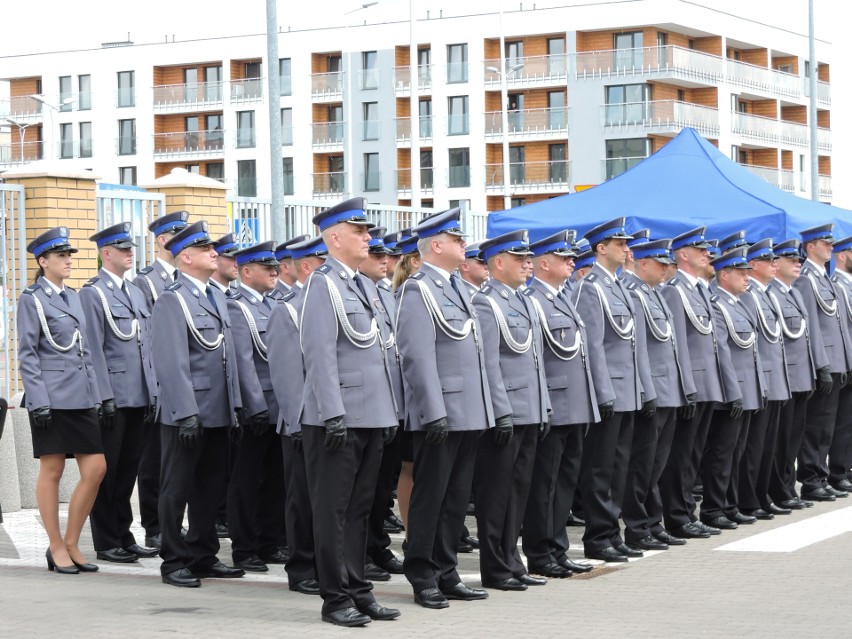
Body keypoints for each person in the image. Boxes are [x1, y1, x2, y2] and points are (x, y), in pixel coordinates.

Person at [299, 197, 401, 627]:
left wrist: (389, 413)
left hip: (372, 414)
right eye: (360, 232)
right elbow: (318, 353)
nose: (369, 238)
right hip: (336, 418)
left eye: (368, 232)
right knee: (332, 511)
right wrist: (332, 413)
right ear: (335, 237)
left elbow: (380, 353)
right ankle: (334, 597)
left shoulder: (363, 284)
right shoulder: (323, 284)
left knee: (362, 510)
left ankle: (359, 590)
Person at [396, 207, 492, 609]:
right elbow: (416, 355)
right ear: (436, 245)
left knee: (455, 498)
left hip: (467, 410)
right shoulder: (418, 290)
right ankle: (422, 572)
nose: (464, 244)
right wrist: (433, 411)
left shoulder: (456, 287)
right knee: (431, 497)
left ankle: (446, 569)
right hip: (441, 414)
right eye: (457, 239)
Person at [152, 220, 244, 588]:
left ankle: (203, 553)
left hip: (218, 408)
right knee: (176, 487)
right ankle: (174, 559)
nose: (214, 253)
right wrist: (186, 412)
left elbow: (228, 357)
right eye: (206, 249)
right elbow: (172, 362)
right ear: (186, 257)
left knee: (210, 485)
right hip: (186, 413)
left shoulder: (215, 296)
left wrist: (235, 403)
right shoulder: (172, 300)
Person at [18, 226, 106, 574]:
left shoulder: (74, 296)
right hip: (51, 398)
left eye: (70, 255)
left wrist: (98, 394)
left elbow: (87, 351)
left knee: (96, 467)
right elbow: (28, 353)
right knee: (52, 469)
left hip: (81, 395)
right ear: (43, 261)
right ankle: (55, 545)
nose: (68, 260)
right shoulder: (32, 299)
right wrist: (38, 401)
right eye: (61, 256)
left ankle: (72, 540)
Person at [472, 230, 551, 590]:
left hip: (529, 410)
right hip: (507, 413)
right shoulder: (486, 303)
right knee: (497, 493)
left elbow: (535, 360)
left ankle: (512, 560)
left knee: (519, 490)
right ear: (498, 263)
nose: (528, 264)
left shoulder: (523, 300)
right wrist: (500, 412)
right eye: (520, 259)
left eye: (528, 258)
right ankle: (495, 567)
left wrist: (543, 406)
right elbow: (488, 363)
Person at [572, 217, 654, 563]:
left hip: (628, 391)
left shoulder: (619, 286)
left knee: (620, 465)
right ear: (601, 248)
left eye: (626, 244)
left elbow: (634, 345)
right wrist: (603, 392)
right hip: (610, 393)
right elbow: (593, 345)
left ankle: (612, 532)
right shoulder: (590, 287)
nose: (626, 250)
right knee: (601, 468)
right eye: (619, 244)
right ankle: (598, 535)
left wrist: (643, 391)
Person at [81, 222, 158, 564]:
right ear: (106, 253)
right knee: (106, 472)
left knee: (128, 471)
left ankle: (124, 535)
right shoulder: (93, 293)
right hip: (113, 396)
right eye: (123, 249)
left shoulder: (136, 292)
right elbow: (93, 349)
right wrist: (103, 396)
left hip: (138, 395)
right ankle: (106, 540)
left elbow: (146, 347)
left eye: (132, 249)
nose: (130, 254)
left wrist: (152, 390)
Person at [521, 230, 596, 577]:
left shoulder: (563, 297)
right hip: (555, 402)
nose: (571, 263)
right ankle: (540, 551)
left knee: (564, 481)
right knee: (545, 484)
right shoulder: (533, 299)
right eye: (563, 258)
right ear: (544, 263)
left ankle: (557, 547)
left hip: (575, 404)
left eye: (572, 258)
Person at [659, 227, 740, 540]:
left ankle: (687, 513)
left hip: (709, 384)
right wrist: (687, 387)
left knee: (694, 455)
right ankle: (678, 517)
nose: (708, 254)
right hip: (692, 385)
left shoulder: (702, 290)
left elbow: (716, 343)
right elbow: (678, 343)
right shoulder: (675, 290)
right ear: (683, 255)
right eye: (700, 249)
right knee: (681, 456)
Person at [621, 238, 696, 551]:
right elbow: (636, 350)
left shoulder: (656, 294)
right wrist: (646, 391)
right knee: (642, 466)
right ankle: (638, 527)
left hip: (668, 391)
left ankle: (653, 522)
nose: (667, 270)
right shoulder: (635, 294)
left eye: (668, 264)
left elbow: (672, 346)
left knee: (656, 465)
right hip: (652, 390)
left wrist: (684, 388)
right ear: (643, 264)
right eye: (660, 264)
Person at [266, 239, 323, 597]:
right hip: (303, 421)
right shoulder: (288, 309)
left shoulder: (327, 303)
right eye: (321, 261)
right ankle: (302, 567)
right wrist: (296, 420)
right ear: (306, 267)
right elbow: (286, 375)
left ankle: (327, 563)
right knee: (302, 498)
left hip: (331, 418)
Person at [225, 241, 286, 573]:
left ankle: (268, 540)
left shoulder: (275, 304)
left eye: (275, 267)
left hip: (280, 408)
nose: (274, 272)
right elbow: (244, 362)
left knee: (275, 479)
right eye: (267, 268)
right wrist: (256, 405)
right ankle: (245, 546)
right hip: (256, 411)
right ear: (246, 272)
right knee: (247, 480)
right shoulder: (238, 308)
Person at [133, 210, 190, 550]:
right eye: (177, 235)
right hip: (158, 383)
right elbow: (149, 337)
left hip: (183, 380)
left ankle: (174, 522)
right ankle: (154, 525)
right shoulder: (147, 281)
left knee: (176, 461)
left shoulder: (187, 278)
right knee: (153, 460)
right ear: (162, 241)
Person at [702, 247, 766, 530]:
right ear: (724, 274)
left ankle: (729, 504)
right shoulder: (717, 304)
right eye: (741, 273)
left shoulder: (739, 302)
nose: (746, 278)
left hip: (746, 389)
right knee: (721, 454)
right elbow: (722, 351)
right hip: (731, 392)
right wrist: (733, 391)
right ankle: (713, 508)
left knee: (737, 453)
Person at [359, 228, 406, 581]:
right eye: (377, 255)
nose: (385, 261)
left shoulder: (384, 295)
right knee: (365, 491)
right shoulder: (348, 293)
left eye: (387, 256)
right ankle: (363, 553)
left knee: (380, 487)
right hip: (366, 405)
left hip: (389, 404)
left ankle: (377, 546)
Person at [794, 224, 852, 502]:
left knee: (829, 425)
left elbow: (839, 327)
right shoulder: (806, 279)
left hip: (839, 361)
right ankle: (811, 479)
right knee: (816, 425)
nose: (830, 247)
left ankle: (823, 475)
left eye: (831, 244)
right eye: (824, 243)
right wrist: (821, 364)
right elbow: (811, 327)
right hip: (826, 362)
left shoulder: (825, 279)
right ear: (810, 247)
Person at [739, 239, 791, 519]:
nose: (774, 265)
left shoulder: (767, 294)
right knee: (753, 447)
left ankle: (761, 495)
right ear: (754, 265)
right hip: (760, 380)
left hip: (773, 379)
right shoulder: (749, 295)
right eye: (767, 261)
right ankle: (749, 499)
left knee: (766, 446)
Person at [766, 240, 817, 510]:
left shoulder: (793, 292)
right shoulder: (772, 293)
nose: (798, 264)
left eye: (798, 260)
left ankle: (788, 486)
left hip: (801, 377)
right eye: (791, 260)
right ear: (776, 264)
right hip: (785, 378)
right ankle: (779, 490)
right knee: (781, 439)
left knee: (794, 438)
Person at [269, 234, 309, 299]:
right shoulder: (274, 299)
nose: (306, 266)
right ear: (285, 267)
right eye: (298, 262)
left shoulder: (308, 291)